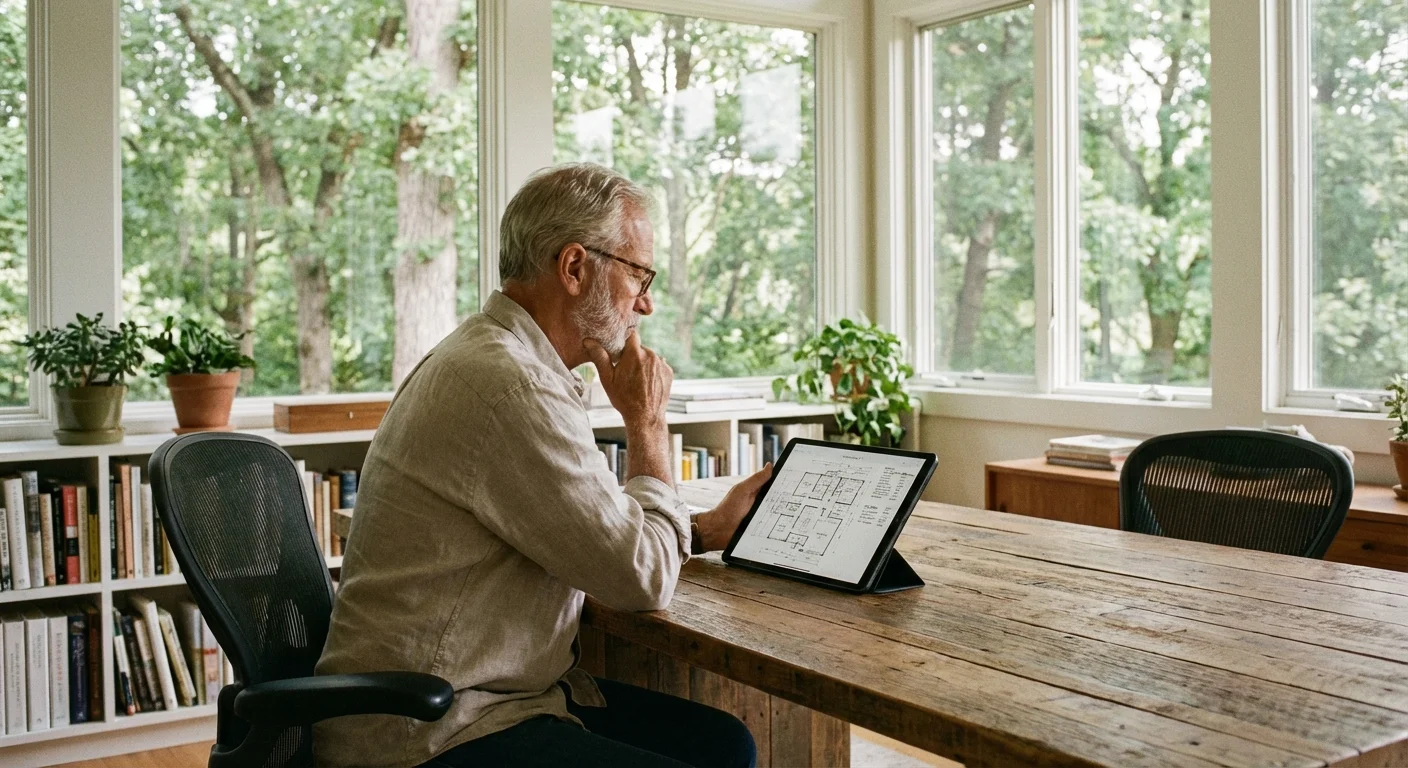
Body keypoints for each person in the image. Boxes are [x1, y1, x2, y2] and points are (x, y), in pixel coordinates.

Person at [314, 163, 771, 768]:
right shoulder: (512, 388)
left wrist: (702, 530)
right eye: (639, 274)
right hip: (434, 732)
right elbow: (642, 582)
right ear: (575, 267)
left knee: (724, 744)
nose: (648, 303)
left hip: (484, 699)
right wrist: (647, 422)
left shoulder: (495, 357)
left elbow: (584, 531)